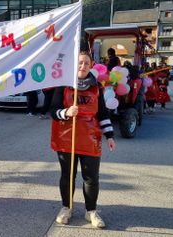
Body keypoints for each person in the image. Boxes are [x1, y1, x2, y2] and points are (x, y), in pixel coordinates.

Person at [50, 52, 116, 228]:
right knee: (67, 175)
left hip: (90, 139)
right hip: (66, 139)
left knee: (91, 178)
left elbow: (102, 113)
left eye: (86, 63)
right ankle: (66, 208)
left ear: (91, 65)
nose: (83, 66)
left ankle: (91, 211)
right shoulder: (63, 85)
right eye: (80, 62)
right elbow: (53, 111)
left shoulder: (97, 88)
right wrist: (66, 112)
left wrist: (109, 135)